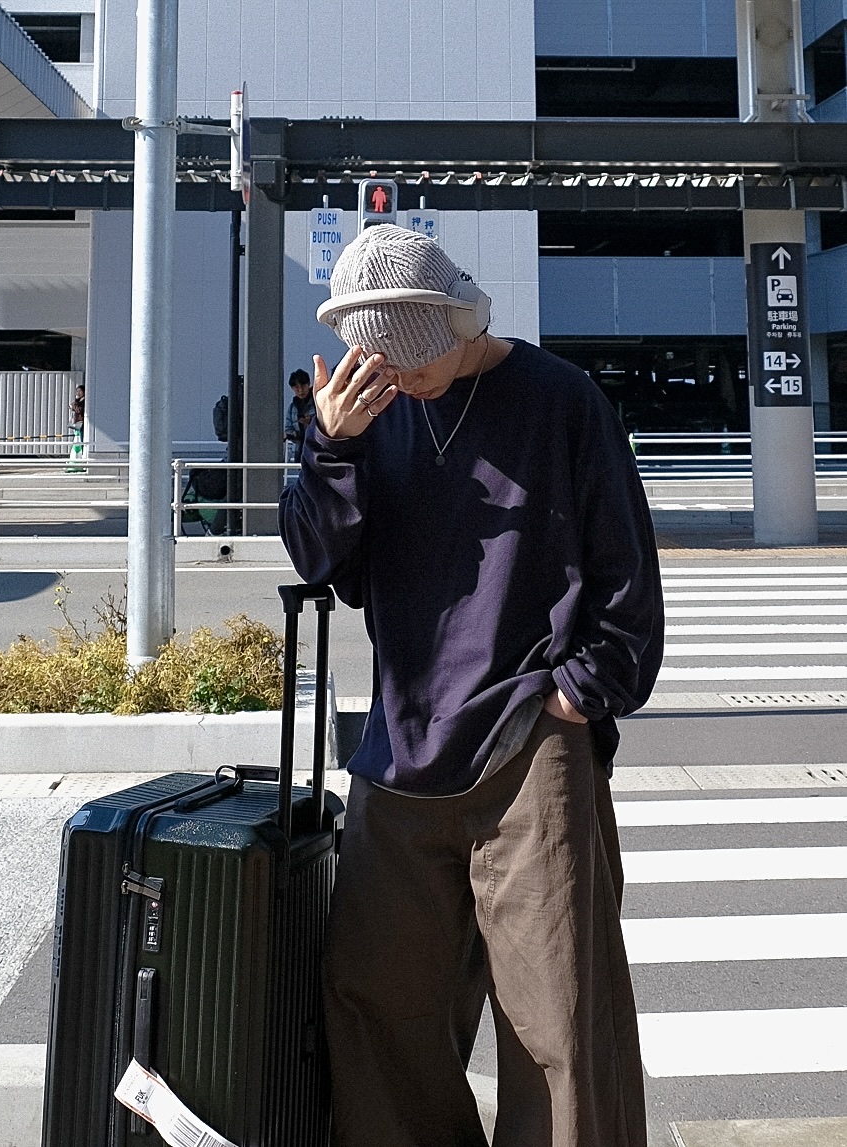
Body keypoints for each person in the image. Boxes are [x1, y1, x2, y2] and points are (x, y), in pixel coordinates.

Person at [278, 225, 664, 1147]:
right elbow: (320, 560)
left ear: (462, 320)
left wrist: (578, 693)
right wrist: (331, 446)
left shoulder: (561, 400)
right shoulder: (364, 413)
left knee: (558, 1020)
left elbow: (626, 573)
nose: (402, 380)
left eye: (416, 360)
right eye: (383, 362)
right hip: (401, 740)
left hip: (532, 742)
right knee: (375, 999)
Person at [284, 368, 315, 463]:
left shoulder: (317, 402)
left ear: (308, 384)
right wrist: (293, 435)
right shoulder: (292, 407)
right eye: (296, 387)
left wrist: (312, 420)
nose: (300, 390)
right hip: (300, 450)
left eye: (303, 386)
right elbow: (288, 428)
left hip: (317, 448)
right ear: (292, 388)